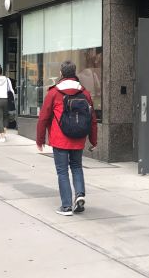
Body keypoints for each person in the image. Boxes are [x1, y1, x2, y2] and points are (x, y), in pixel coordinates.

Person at [36, 61, 98, 217]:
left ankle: (66, 207)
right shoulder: (85, 93)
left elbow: (43, 117)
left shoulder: (54, 93)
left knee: (62, 172)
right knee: (77, 166)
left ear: (61, 74)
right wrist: (93, 140)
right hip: (79, 138)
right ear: (74, 72)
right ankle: (80, 195)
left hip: (60, 138)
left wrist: (39, 140)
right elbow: (92, 119)